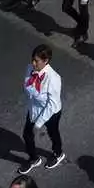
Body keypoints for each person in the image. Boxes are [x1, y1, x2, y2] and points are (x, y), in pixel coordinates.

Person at [19, 45, 64, 173]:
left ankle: (58, 153)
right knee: (27, 134)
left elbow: (52, 104)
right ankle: (34, 159)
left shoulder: (54, 78)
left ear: (46, 61)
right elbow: (27, 87)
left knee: (53, 132)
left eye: (36, 61)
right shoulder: (30, 68)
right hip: (33, 109)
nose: (33, 63)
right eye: (32, 59)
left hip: (51, 112)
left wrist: (38, 124)